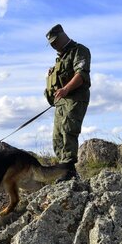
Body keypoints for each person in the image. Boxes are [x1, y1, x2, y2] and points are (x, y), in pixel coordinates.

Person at [44, 24, 91, 181]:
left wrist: (66, 89)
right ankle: (64, 170)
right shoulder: (60, 59)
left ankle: (69, 171)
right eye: (51, 43)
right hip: (61, 102)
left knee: (68, 130)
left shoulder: (79, 50)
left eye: (55, 41)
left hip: (75, 98)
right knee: (57, 136)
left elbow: (81, 75)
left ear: (63, 36)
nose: (53, 45)